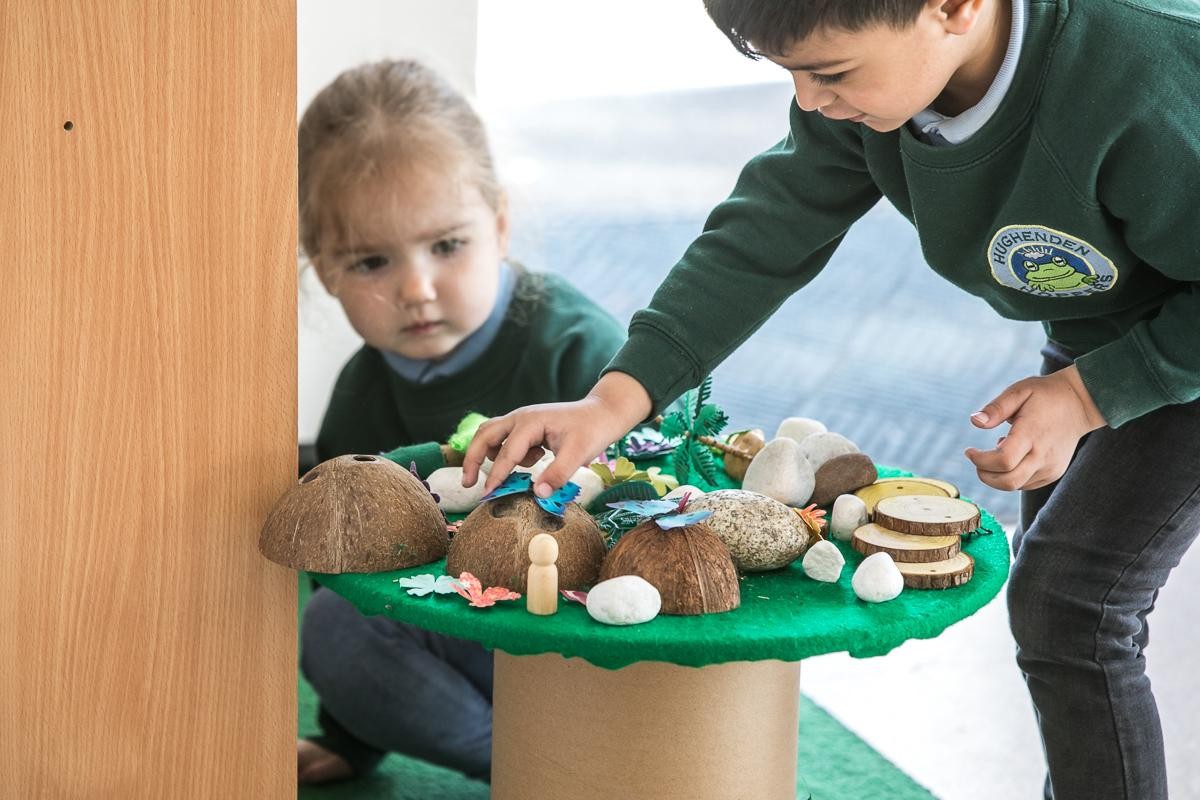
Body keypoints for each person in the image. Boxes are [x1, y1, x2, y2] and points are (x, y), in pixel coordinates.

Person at [462, 2, 1200, 798]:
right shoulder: (873, 98)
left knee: (1070, 607)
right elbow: (764, 236)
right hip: (1105, 323)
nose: (808, 101)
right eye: (793, 74)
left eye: (830, 72)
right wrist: (612, 404)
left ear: (954, 8)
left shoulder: (1150, 73)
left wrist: (1091, 396)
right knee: (1055, 603)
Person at [295, 59, 625, 785]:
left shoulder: (580, 351)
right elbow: (349, 571)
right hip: (483, 648)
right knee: (334, 626)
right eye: (372, 261)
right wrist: (350, 735)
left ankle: (598, 765)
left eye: (446, 246)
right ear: (324, 272)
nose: (416, 289)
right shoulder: (360, 395)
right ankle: (544, 775)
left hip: (604, 642)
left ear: (500, 226)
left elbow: (665, 497)